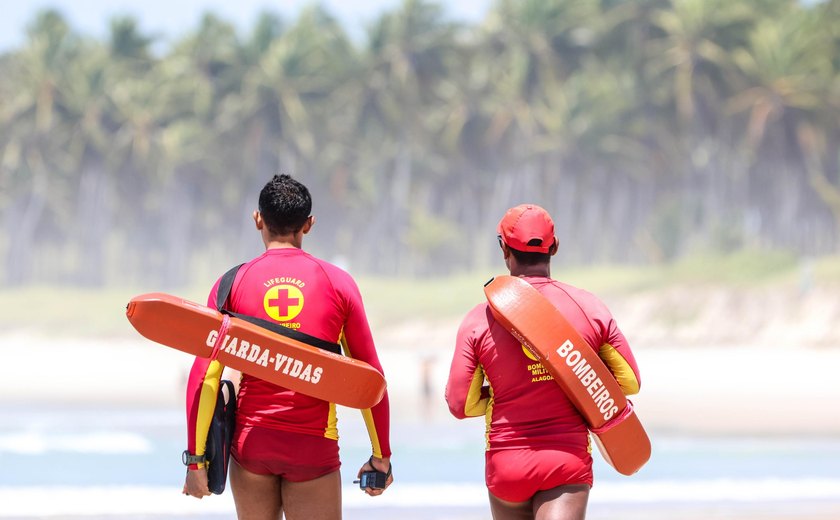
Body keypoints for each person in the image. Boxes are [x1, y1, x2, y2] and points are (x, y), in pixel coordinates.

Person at [182, 174, 393, 519]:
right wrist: (381, 455)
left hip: (252, 444)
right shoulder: (338, 283)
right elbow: (370, 379)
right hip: (313, 445)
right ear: (308, 225)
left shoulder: (230, 283)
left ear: (258, 220)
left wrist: (196, 461)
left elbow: (205, 373)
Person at [445, 204, 641, 520]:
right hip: (565, 461)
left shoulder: (480, 319)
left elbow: (459, 404)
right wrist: (571, 381)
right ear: (555, 247)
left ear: (503, 249)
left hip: (507, 464)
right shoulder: (587, 306)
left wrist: (504, 393)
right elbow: (630, 381)